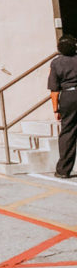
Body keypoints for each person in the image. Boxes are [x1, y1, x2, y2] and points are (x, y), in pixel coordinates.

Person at [48, 34, 77, 179]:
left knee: (68, 133)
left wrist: (56, 109)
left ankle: (63, 170)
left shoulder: (56, 63)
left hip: (68, 97)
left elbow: (54, 90)